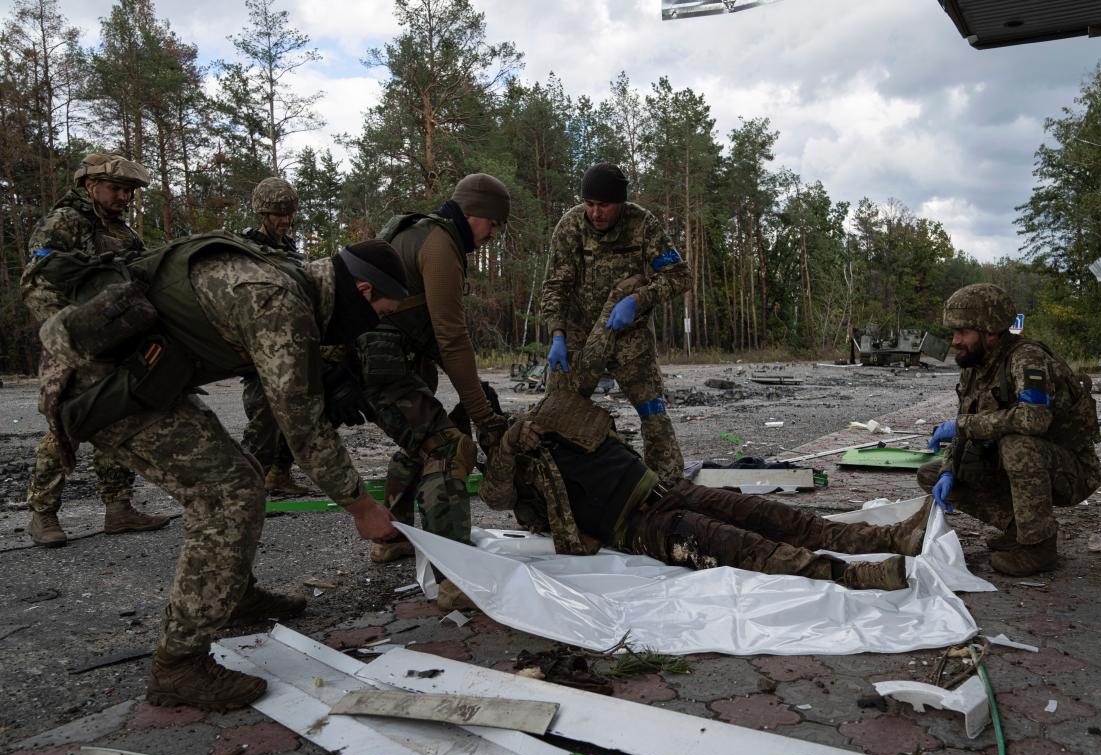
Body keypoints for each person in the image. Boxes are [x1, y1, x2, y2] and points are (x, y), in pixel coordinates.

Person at [34, 234, 408, 711]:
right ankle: (179, 665)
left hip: (140, 372)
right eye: (383, 313)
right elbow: (302, 423)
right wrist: (361, 506)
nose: (376, 324)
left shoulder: (291, 282)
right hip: (99, 385)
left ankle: (231, 595)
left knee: (242, 473)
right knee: (227, 495)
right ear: (363, 292)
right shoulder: (278, 299)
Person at [479, 388, 925, 591]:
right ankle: (852, 577)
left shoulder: (547, 421)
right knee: (735, 544)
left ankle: (887, 536)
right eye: (490, 427)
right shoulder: (512, 470)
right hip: (636, 526)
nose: (502, 425)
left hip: (666, 489)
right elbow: (495, 498)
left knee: (773, 516)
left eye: (500, 417)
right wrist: (507, 447)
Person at [21, 152, 170, 547]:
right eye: (118, 189)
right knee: (68, 419)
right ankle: (43, 514)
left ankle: (118, 508)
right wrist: (69, 332)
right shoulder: (63, 222)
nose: (125, 197)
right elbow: (37, 282)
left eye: (130, 192)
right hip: (74, 341)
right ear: (91, 187)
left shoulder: (124, 234)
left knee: (117, 417)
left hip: (116, 340)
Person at [361, 173, 512, 563]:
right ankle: (455, 574)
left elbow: (432, 333)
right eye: (493, 224)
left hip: (383, 357)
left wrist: (476, 394)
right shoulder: (441, 245)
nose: (492, 235)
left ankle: (392, 537)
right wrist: (482, 414)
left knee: (420, 443)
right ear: (474, 213)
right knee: (449, 447)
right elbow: (451, 336)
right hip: (381, 361)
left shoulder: (421, 232)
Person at [917, 283, 1101, 576]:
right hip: (1017, 465)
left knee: (1017, 444)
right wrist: (950, 469)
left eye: (963, 332)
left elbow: (1034, 419)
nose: (955, 340)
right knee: (931, 473)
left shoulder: (1026, 358)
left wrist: (963, 425)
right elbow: (965, 424)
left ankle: (1038, 545)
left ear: (990, 332)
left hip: (1069, 469)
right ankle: (1017, 527)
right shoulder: (974, 366)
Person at [541, 162, 687, 484]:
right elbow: (556, 286)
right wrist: (557, 335)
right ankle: (556, 483)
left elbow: (679, 276)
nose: (595, 213)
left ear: (620, 202)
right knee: (557, 412)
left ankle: (667, 485)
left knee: (652, 410)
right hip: (578, 334)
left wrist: (638, 300)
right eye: (589, 204)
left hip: (628, 333)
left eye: (604, 205)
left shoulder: (642, 224)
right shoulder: (569, 227)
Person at [240, 177, 309, 495]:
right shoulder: (245, 250)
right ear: (262, 213)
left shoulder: (289, 249)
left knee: (293, 414)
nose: (284, 220)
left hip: (290, 345)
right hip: (259, 347)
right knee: (263, 417)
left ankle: (279, 473)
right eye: (277, 214)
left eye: (288, 213)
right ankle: (245, 486)